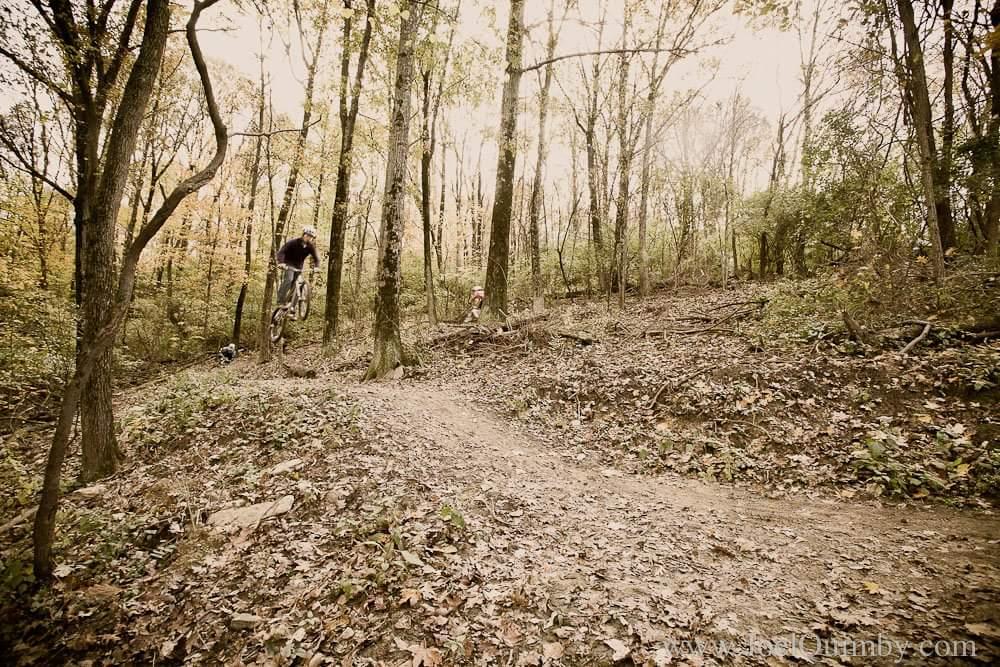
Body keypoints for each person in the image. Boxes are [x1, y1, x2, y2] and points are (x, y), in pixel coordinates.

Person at [276, 225, 320, 312]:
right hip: (288, 264)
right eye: (307, 235)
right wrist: (281, 263)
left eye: (311, 237)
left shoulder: (310, 246)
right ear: (303, 234)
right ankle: (280, 300)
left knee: (298, 285)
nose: (309, 238)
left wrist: (317, 267)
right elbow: (282, 251)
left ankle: (292, 306)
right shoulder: (293, 242)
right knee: (289, 279)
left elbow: (316, 258)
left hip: (298, 266)